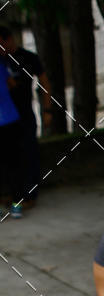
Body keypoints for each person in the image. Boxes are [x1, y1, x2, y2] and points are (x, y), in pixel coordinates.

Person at [0, 25, 51, 205]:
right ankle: (11, 193)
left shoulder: (28, 58)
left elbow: (44, 83)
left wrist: (47, 110)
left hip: (25, 113)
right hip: (6, 118)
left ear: (8, 39)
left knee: (29, 152)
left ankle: (30, 194)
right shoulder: (1, 61)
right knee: (9, 156)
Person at [0, 54, 24, 218]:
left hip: (7, 120)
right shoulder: (1, 66)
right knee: (14, 163)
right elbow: (12, 85)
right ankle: (17, 204)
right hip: (10, 118)